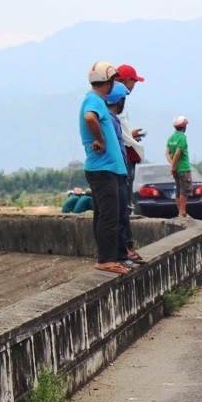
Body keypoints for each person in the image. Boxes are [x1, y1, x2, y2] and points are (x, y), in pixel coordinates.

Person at [80, 60, 128, 275]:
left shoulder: (94, 99)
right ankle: (106, 259)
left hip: (107, 168)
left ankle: (108, 256)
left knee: (104, 214)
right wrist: (100, 139)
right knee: (110, 215)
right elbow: (89, 118)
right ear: (107, 82)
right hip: (103, 168)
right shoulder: (95, 100)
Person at [105, 81, 142, 267]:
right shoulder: (110, 120)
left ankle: (122, 253)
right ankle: (121, 254)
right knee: (118, 215)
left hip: (119, 170)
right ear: (119, 100)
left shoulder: (113, 119)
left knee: (120, 213)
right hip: (117, 171)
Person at [117, 63, 146, 263]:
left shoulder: (118, 102)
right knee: (124, 205)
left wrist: (131, 136)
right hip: (125, 157)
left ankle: (125, 247)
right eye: (134, 81)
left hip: (126, 154)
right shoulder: (117, 102)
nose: (134, 85)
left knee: (124, 205)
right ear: (127, 81)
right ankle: (126, 247)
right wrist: (131, 139)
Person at [166, 116, 192, 219]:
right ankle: (182, 212)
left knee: (178, 190)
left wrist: (172, 165)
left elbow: (167, 153)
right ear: (184, 126)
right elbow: (178, 153)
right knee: (185, 190)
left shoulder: (171, 138)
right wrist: (173, 166)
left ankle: (180, 212)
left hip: (176, 169)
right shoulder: (182, 138)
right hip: (183, 168)